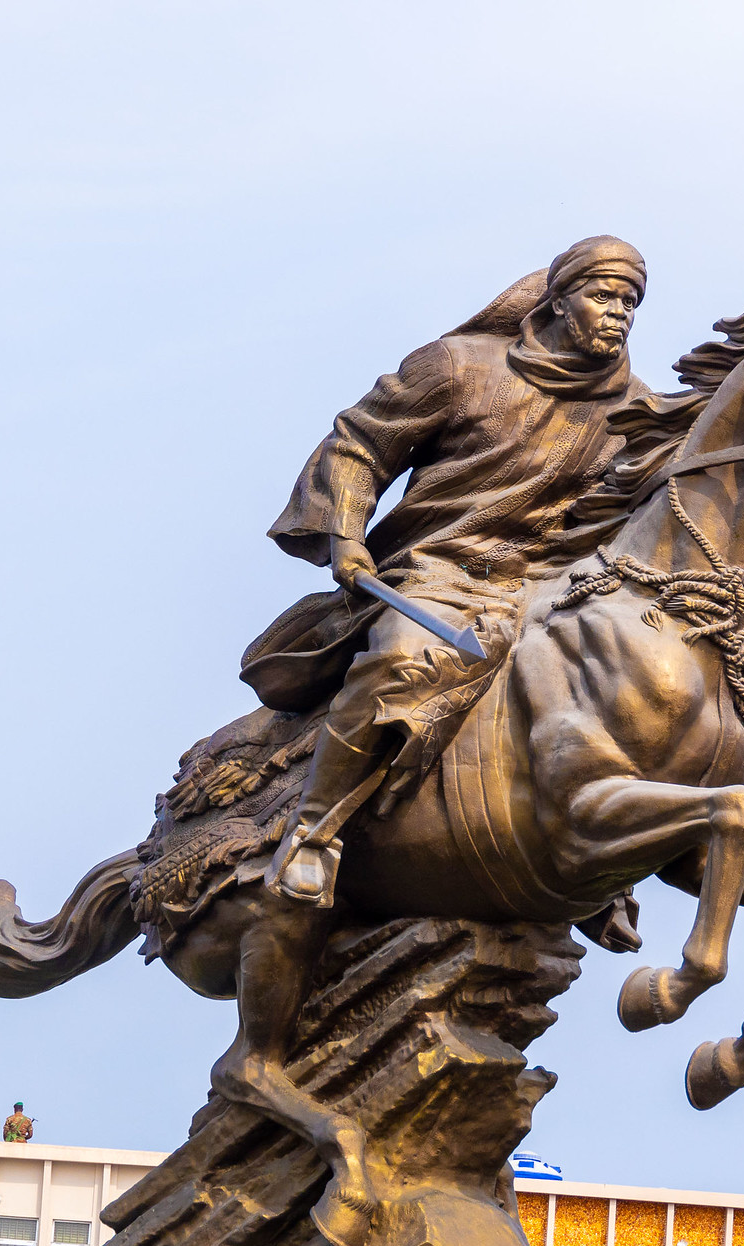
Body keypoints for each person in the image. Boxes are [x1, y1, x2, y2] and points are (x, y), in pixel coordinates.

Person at [254, 235, 652, 907]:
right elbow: (359, 443)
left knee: (637, 692)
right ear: (559, 300)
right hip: (442, 573)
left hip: (549, 594)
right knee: (408, 660)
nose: (619, 313)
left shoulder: (635, 411)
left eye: (631, 302)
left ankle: (599, 862)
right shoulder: (461, 366)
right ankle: (312, 836)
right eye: (604, 296)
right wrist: (345, 534)